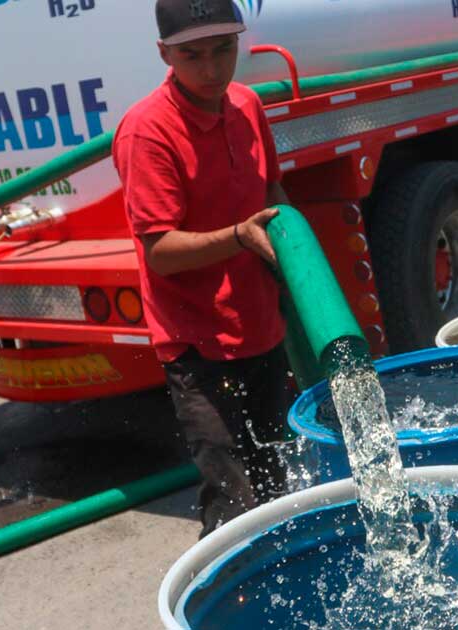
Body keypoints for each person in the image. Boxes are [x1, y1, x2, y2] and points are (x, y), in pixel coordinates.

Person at [113, 0, 293, 537]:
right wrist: (239, 237)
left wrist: (299, 274)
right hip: (198, 343)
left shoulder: (247, 104)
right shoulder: (147, 131)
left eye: (223, 49)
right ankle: (229, 584)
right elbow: (159, 251)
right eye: (193, 55)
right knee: (233, 500)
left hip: (261, 325)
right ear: (164, 53)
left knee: (280, 480)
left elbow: (273, 192)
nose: (212, 69)